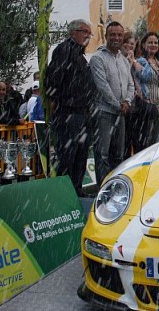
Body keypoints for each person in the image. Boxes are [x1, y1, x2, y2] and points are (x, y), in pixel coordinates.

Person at [45, 19, 96, 197]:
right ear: (73, 32)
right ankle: (64, 193)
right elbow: (54, 77)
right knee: (68, 155)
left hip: (83, 112)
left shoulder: (80, 55)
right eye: (84, 32)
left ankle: (77, 189)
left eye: (89, 33)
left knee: (81, 155)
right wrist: (54, 100)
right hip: (69, 112)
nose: (88, 36)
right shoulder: (64, 50)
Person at [90, 22, 135, 184]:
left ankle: (115, 187)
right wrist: (118, 105)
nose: (116, 38)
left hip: (120, 114)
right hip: (104, 113)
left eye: (119, 35)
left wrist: (127, 101)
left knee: (118, 156)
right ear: (106, 36)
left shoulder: (123, 60)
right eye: (113, 35)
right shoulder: (97, 58)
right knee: (102, 155)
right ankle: (102, 188)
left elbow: (130, 85)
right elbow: (102, 87)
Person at [135, 32, 159, 148]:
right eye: (150, 42)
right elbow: (143, 78)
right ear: (143, 45)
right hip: (148, 105)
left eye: (155, 42)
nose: (153, 45)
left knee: (158, 141)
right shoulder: (140, 61)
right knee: (147, 141)